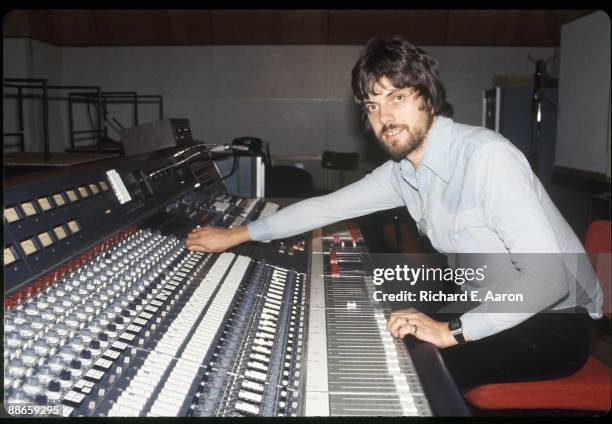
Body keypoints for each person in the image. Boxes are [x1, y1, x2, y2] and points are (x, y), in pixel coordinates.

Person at [185, 36, 603, 394]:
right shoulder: (405, 172)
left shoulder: (486, 157)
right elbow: (327, 205)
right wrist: (237, 236)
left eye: (397, 98)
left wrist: (451, 331)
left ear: (428, 97)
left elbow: (549, 281)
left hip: (555, 323)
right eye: (371, 106)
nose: (384, 117)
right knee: (377, 336)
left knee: (404, 378)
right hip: (490, 300)